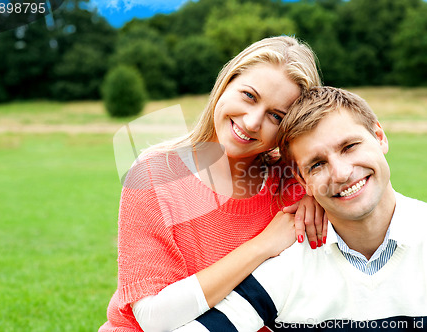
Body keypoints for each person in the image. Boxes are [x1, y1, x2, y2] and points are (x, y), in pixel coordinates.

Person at [176, 86, 427, 331]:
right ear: (301, 179)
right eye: (317, 164)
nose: (340, 173)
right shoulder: (287, 268)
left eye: (349, 147)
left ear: (379, 137)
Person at [99, 36, 329, 332]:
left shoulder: (291, 181)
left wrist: (322, 199)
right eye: (249, 95)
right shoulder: (154, 173)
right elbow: (154, 318)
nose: (252, 122)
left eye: (276, 116)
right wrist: (263, 245)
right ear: (226, 84)